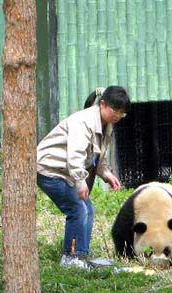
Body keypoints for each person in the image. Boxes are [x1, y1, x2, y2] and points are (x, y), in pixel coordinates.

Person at [37, 86, 131, 269]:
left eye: (122, 113)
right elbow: (76, 155)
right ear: (102, 104)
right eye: (115, 110)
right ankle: (71, 258)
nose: (118, 116)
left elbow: (97, 156)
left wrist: (106, 174)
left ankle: (81, 255)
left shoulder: (107, 126)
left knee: (88, 208)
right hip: (49, 169)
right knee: (78, 209)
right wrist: (80, 182)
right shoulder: (84, 121)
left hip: (66, 172)